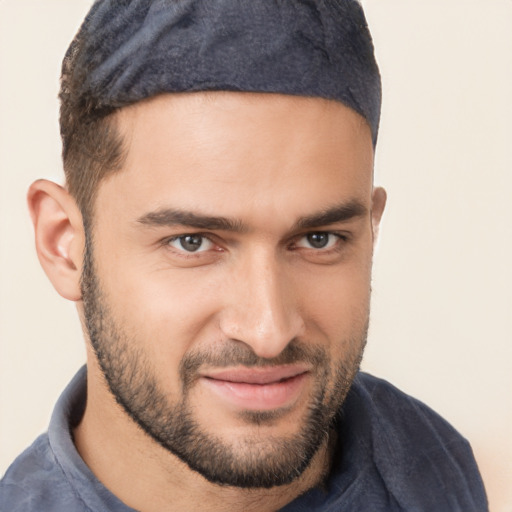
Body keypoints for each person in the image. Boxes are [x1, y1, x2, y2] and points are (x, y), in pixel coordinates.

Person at [0, 0, 488, 511]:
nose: (268, 330)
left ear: (370, 227)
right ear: (65, 246)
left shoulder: (436, 463)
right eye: (193, 242)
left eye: (319, 239)